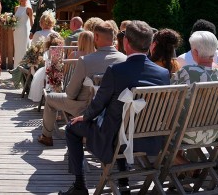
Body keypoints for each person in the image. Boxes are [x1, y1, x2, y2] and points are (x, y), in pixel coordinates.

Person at [59, 20, 169, 195]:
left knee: (72, 128)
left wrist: (85, 117)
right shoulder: (163, 74)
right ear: (149, 44)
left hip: (116, 138)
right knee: (118, 120)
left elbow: (98, 104)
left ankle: (80, 186)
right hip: (149, 138)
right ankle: (123, 181)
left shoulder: (116, 71)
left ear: (125, 43)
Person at [38, 22, 126, 147]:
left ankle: (46, 136)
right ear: (113, 38)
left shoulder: (86, 61)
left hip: (85, 108)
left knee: (50, 98)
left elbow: (71, 93)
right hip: (112, 109)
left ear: (95, 37)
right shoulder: (124, 59)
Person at [171, 31, 218, 147]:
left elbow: (169, 96)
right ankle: (183, 160)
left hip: (187, 134)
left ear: (195, 52)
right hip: (214, 134)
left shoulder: (187, 72)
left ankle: (179, 160)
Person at [28, 32, 65, 103]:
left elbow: (46, 64)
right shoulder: (62, 51)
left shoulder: (48, 51)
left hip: (50, 74)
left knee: (39, 76)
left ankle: (47, 95)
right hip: (62, 73)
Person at [13, 0, 34, 65]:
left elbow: (32, 21)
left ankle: (24, 67)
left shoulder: (29, 9)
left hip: (24, 30)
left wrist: (33, 32)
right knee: (17, 49)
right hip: (16, 31)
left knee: (23, 48)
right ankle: (16, 67)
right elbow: (14, 20)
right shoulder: (16, 8)